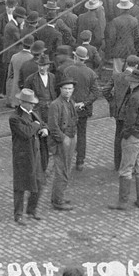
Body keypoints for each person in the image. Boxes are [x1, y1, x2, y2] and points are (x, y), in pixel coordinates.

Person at [110, 68, 139, 209]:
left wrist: (126, 134)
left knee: (126, 168)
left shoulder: (134, 97)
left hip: (133, 135)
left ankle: (123, 201)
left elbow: (130, 119)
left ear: (134, 83)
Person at [9, 88, 47, 224]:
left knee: (39, 182)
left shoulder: (33, 114)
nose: (32, 105)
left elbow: (42, 124)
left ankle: (31, 209)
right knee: (20, 186)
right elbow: (26, 132)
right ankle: (18, 214)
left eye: (33, 103)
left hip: (35, 154)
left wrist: (44, 129)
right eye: (30, 103)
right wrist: (36, 126)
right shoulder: (15, 117)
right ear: (22, 102)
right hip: (23, 156)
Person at [48, 77, 78, 211]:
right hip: (62, 141)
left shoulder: (71, 102)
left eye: (70, 89)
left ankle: (58, 195)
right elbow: (53, 126)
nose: (68, 91)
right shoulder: (55, 105)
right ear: (60, 89)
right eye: (65, 89)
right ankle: (58, 201)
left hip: (71, 137)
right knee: (61, 170)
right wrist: (63, 138)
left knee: (67, 168)